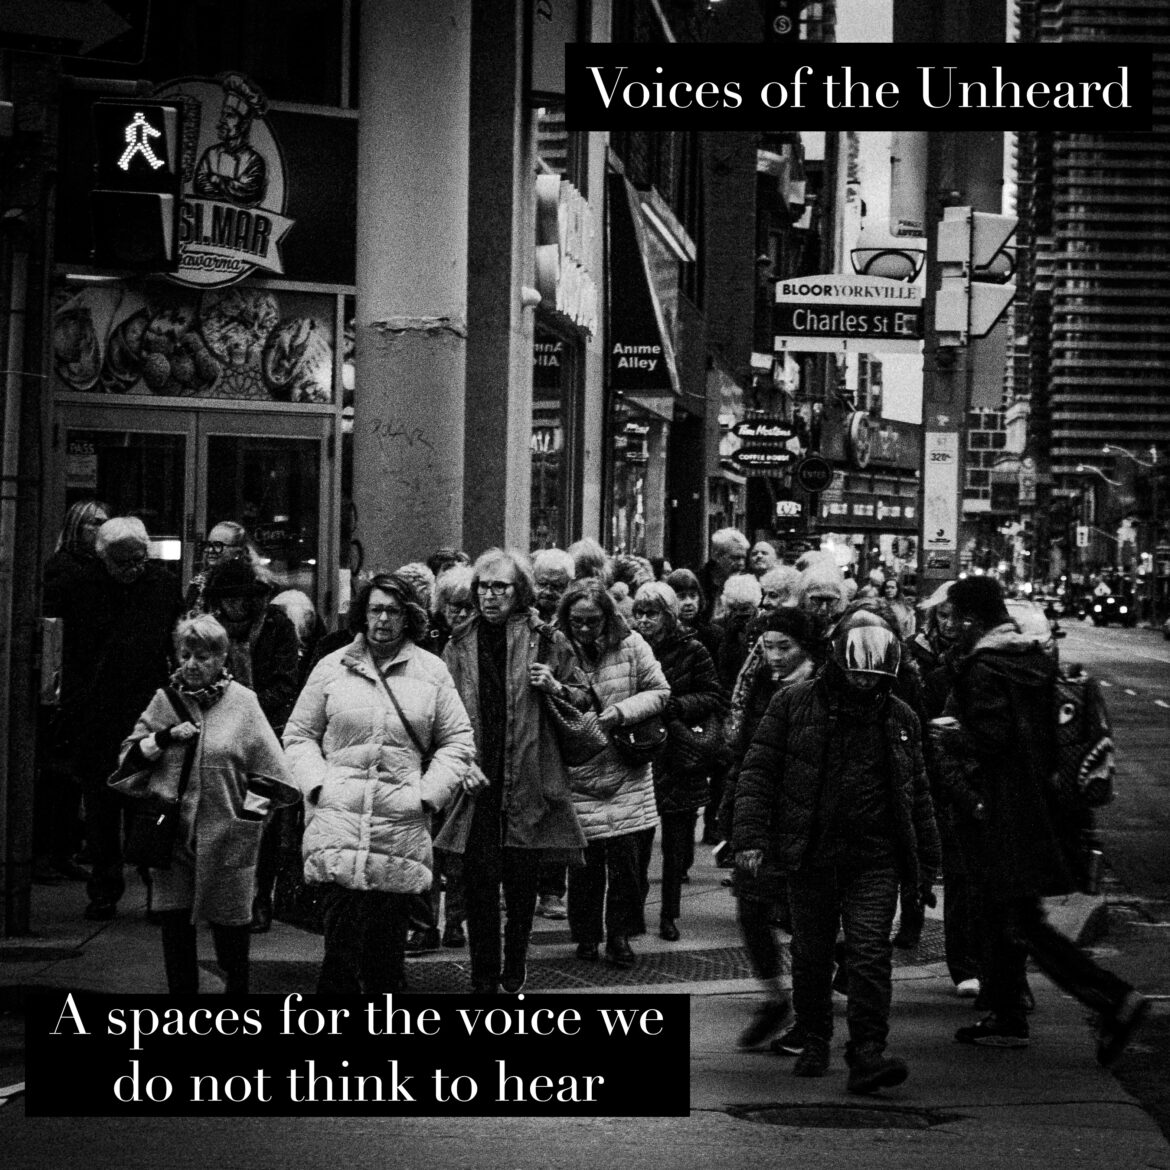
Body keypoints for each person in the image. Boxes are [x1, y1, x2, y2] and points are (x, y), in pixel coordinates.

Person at [937, 576, 1147, 1063]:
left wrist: (953, 736)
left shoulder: (985, 668)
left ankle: (1114, 998)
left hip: (1007, 812)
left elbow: (993, 740)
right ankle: (1007, 1016)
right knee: (1004, 913)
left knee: (1020, 919)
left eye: (953, 617)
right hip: (1039, 809)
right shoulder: (1029, 658)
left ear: (971, 618)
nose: (949, 626)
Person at [734, 623, 941, 1094]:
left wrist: (926, 865)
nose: (864, 682)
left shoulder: (901, 718)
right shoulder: (794, 703)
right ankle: (814, 1038)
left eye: (874, 675)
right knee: (810, 954)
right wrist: (749, 836)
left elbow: (919, 795)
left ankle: (867, 1052)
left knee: (870, 955)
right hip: (812, 854)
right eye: (857, 673)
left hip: (875, 858)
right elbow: (759, 769)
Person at [283, 572, 475, 995]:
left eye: (393, 610)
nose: (383, 619)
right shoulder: (331, 667)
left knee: (385, 965)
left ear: (409, 617)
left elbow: (458, 741)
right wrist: (318, 786)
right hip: (339, 824)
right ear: (362, 615)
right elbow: (298, 736)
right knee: (338, 963)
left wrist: (427, 796)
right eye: (375, 610)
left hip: (398, 828)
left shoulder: (432, 672)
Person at [109, 614, 299, 993]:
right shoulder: (164, 701)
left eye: (204, 657)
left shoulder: (244, 704)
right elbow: (127, 764)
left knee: (232, 941)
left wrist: (248, 818)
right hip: (173, 840)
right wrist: (163, 739)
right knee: (176, 935)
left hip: (230, 838)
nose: (192, 665)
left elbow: (275, 777)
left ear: (223, 658)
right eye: (185, 656)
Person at [435, 549, 587, 994]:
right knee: (480, 881)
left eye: (500, 587)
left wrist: (555, 686)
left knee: (522, 884)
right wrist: (460, 763)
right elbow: (443, 715)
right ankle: (484, 974)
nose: (489, 596)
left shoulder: (547, 640)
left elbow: (584, 699)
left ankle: (515, 963)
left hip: (528, 775)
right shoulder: (458, 643)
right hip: (478, 780)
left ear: (520, 591)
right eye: (483, 587)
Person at [51, 517, 184, 920]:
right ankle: (105, 887)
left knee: (149, 801)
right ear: (103, 556)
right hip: (98, 708)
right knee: (102, 805)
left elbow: (173, 643)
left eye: (139, 560)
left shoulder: (159, 585)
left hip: (146, 704)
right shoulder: (81, 585)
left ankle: (152, 889)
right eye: (123, 562)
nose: (132, 569)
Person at [558, 578, 670, 969]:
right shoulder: (557, 648)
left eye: (593, 621)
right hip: (579, 768)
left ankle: (619, 935)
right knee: (585, 868)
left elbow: (659, 691)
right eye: (577, 622)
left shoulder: (632, 645)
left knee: (625, 866)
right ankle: (587, 935)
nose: (585, 629)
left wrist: (620, 713)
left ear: (608, 617)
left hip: (626, 766)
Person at [719, 606, 817, 1051]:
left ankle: (809, 1011)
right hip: (760, 814)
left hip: (803, 818)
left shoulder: (819, 689)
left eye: (784, 647)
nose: (774, 656)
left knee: (802, 918)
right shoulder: (760, 682)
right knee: (752, 908)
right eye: (767, 647)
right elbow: (746, 756)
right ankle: (777, 996)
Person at [202, 557, 301, 933]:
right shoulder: (209, 630)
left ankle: (260, 896)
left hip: (264, 736)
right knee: (222, 819)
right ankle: (225, 895)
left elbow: (285, 682)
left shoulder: (276, 625)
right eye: (230, 599)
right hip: (219, 738)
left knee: (262, 821)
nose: (238, 605)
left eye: (244, 598)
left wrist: (246, 708)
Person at [632, 581, 727, 943]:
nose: (643, 621)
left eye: (651, 613)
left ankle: (669, 914)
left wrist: (676, 706)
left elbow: (713, 696)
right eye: (638, 613)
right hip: (639, 753)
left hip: (680, 754)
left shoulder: (693, 650)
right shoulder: (630, 648)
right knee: (636, 844)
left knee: (676, 846)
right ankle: (633, 911)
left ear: (668, 616)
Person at [38, 499, 110, 882]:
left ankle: (60, 849)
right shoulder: (66, 570)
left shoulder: (94, 570)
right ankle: (49, 851)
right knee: (58, 773)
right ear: (77, 527)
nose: (100, 529)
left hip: (83, 682)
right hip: (68, 683)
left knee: (70, 775)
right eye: (93, 523)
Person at [530, 547, 577, 921]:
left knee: (555, 809)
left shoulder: (572, 623)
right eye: (542, 583)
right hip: (522, 725)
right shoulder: (523, 619)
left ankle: (551, 891)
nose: (548, 591)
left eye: (557, 585)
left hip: (555, 726)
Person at [185, 520, 272, 615]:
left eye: (218, 545)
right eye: (208, 544)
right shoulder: (199, 581)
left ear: (237, 551)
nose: (210, 550)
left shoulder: (249, 584)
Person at [666, 568, 721, 661]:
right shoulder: (664, 636)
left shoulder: (714, 635)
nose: (689, 602)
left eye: (693, 596)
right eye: (681, 596)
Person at [699, 528, 750, 623]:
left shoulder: (745, 586)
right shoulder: (698, 584)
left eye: (744, 558)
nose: (741, 564)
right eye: (735, 558)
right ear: (716, 556)